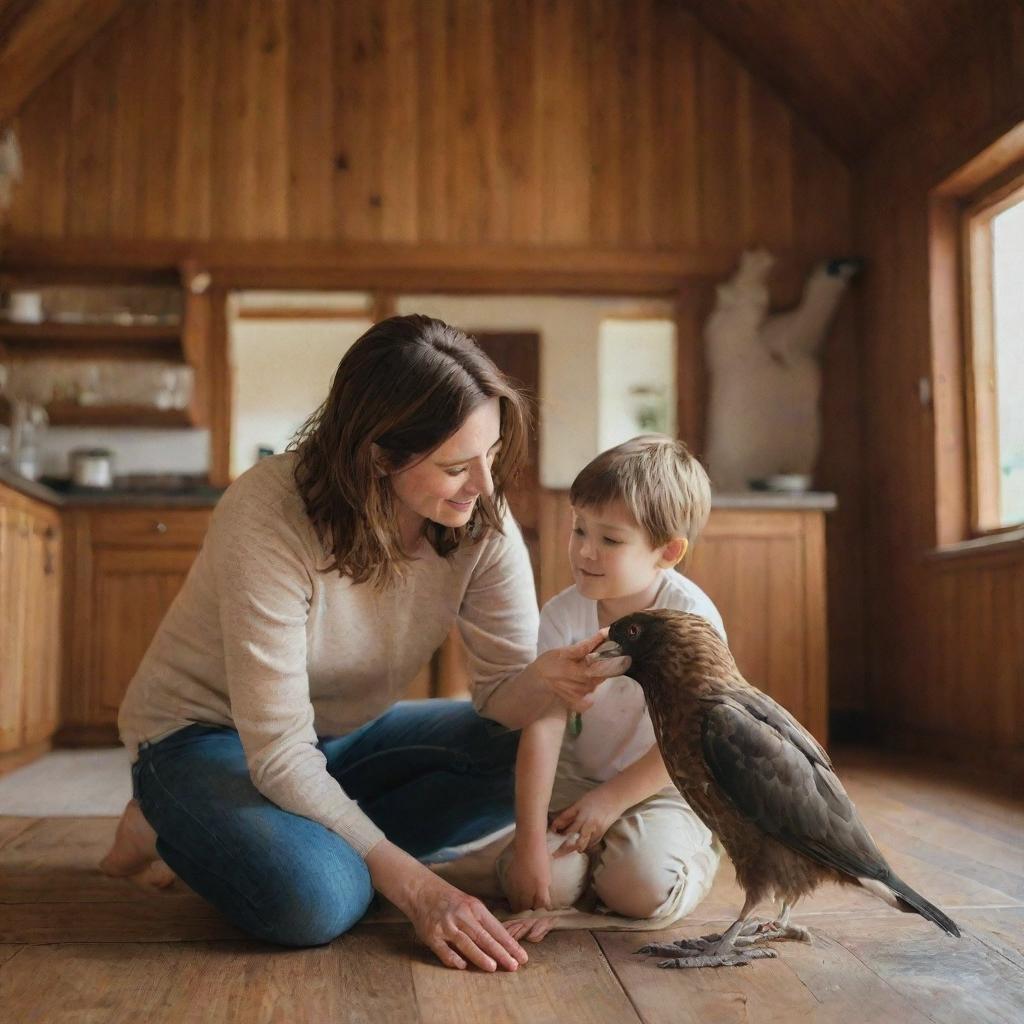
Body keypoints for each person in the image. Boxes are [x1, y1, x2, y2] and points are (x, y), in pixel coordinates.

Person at [98, 315, 628, 972]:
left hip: (336, 739)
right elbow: (282, 753)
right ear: (380, 456)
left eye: (491, 456)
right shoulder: (268, 514)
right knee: (315, 899)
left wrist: (545, 681)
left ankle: (299, 831)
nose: (487, 488)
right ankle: (170, 818)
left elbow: (499, 703)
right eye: (457, 466)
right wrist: (420, 889)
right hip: (201, 736)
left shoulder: (478, 523)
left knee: (543, 755)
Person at [496, 435, 724, 942]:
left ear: (667, 552)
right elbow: (544, 727)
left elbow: (689, 741)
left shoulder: (691, 619)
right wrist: (532, 842)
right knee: (537, 889)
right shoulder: (562, 615)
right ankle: (594, 859)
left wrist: (613, 801)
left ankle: (695, 847)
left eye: (610, 540)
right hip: (580, 782)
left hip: (667, 786)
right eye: (579, 529)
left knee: (638, 891)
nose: (583, 551)